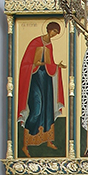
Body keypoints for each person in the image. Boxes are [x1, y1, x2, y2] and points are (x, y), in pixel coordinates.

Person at [17, 21, 66, 157]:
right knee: (37, 109)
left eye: (57, 33)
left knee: (47, 109)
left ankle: (48, 140)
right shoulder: (35, 42)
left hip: (46, 80)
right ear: (49, 29)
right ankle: (25, 145)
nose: (54, 34)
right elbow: (25, 64)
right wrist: (35, 64)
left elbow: (49, 63)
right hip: (34, 80)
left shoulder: (50, 45)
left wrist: (57, 66)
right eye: (54, 31)